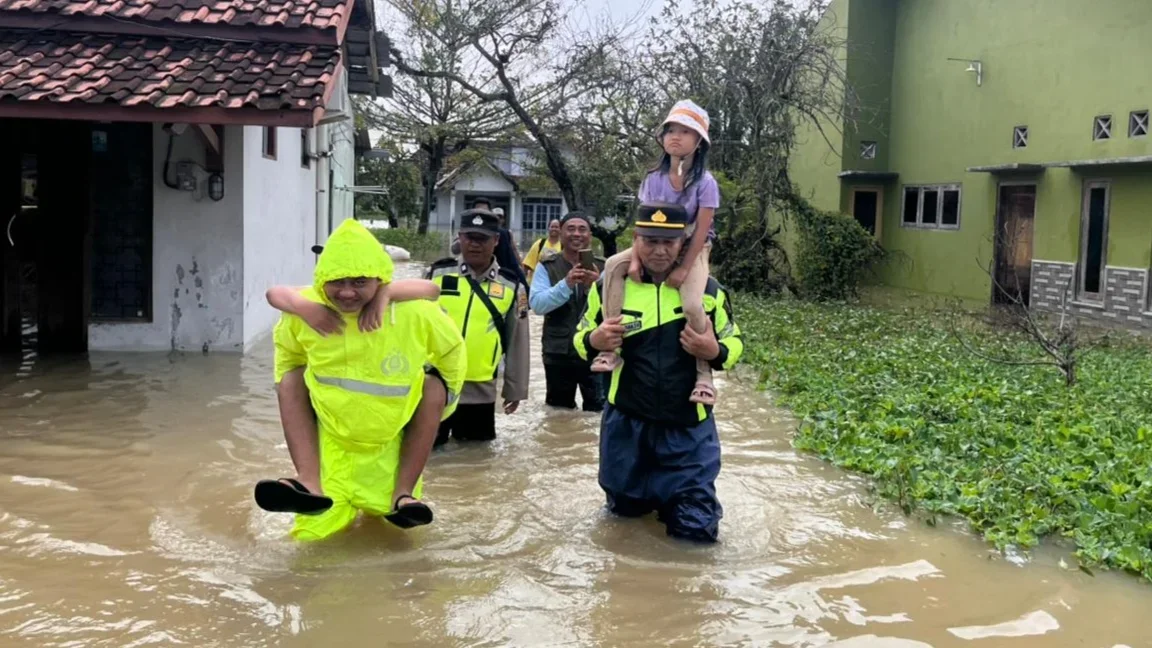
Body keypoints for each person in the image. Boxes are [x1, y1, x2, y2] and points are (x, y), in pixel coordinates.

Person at [253, 219, 467, 541]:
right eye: (336, 282)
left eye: (360, 282)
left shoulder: (413, 313)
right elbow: (286, 353)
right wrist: (304, 309)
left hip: (389, 449)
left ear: (379, 279)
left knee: (395, 545)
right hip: (331, 448)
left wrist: (442, 405)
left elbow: (451, 353)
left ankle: (404, 492)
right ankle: (308, 480)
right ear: (322, 278)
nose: (347, 292)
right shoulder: (305, 312)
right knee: (307, 549)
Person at [574, 202, 743, 543]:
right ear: (635, 239)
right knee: (624, 525)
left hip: (688, 430)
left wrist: (714, 351)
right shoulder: (609, 287)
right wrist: (596, 338)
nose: (660, 250)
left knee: (695, 531)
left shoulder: (707, 291)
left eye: (670, 242)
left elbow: (735, 344)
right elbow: (579, 341)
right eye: (650, 241)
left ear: (684, 244)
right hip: (626, 427)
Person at [592, 99, 721, 408]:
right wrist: (635, 258)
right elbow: (642, 226)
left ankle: (704, 377)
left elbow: (702, 230)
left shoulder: (706, 183)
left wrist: (682, 268)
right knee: (612, 265)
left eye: (685, 132)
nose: (675, 137)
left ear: (699, 142)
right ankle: (610, 349)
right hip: (651, 243)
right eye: (670, 130)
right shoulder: (653, 178)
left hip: (692, 246)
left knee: (692, 303)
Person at [427, 208, 530, 447]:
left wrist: (514, 390)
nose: (475, 244)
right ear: (459, 238)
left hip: (479, 389)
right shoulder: (436, 275)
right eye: (469, 237)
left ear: (496, 241)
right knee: (429, 457)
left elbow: (518, 340)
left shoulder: (511, 286)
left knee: (476, 459)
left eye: (482, 238)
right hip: (433, 383)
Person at [528, 212, 605, 411]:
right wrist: (567, 284)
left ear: (590, 235)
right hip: (558, 352)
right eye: (570, 229)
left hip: (596, 351)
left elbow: (616, 310)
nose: (576, 234)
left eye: (582, 229)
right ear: (560, 234)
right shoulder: (547, 266)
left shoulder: (606, 267)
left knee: (598, 413)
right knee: (558, 416)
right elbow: (537, 304)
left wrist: (595, 287)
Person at [522, 218, 563, 283]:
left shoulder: (563, 246)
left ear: (561, 229)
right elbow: (527, 265)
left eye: (556, 227)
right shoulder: (540, 243)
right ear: (548, 228)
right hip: (536, 284)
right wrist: (523, 282)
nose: (554, 229)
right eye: (552, 227)